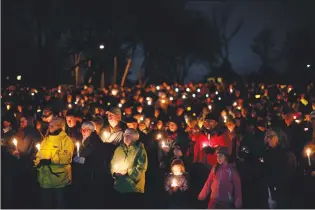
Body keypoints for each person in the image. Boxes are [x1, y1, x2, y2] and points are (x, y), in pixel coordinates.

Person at [34, 117, 74, 209]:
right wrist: (37, 163)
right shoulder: (46, 139)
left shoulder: (66, 140)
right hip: (45, 179)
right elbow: (39, 154)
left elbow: (66, 157)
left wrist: (50, 160)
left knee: (60, 205)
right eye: (49, 125)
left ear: (60, 127)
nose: (50, 127)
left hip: (59, 180)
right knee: (46, 205)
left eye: (53, 125)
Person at [110, 128, 148, 208]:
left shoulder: (140, 150)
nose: (126, 137)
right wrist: (115, 173)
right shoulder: (119, 149)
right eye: (125, 135)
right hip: (119, 186)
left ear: (135, 138)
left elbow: (141, 167)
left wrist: (129, 178)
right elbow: (113, 163)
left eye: (129, 135)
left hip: (134, 188)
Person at [260, 128, 297, 208]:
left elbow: (289, 173)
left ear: (277, 138)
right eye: (266, 137)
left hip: (283, 190)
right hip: (271, 188)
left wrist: (276, 184)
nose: (267, 140)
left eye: (269, 137)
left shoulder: (287, 154)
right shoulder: (267, 151)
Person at [72, 121, 106, 208]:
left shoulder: (95, 142)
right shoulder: (86, 139)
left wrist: (82, 160)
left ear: (92, 130)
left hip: (91, 177)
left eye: (86, 130)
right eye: (82, 130)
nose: (83, 132)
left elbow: (96, 160)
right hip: (85, 175)